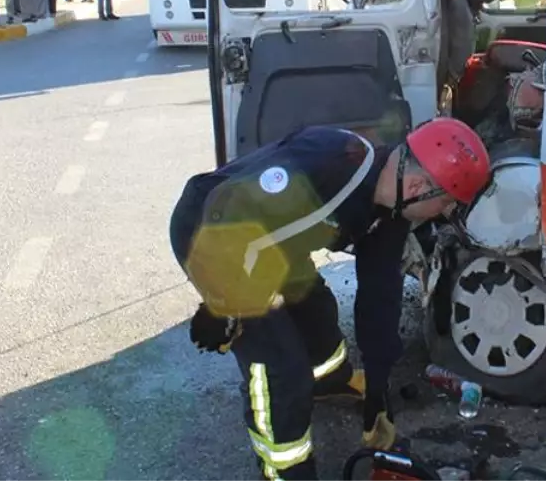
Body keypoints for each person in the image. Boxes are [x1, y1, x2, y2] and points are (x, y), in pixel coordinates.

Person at [171, 119, 490, 481]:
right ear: (418, 187)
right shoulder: (336, 166)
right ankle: (283, 469)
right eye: (446, 205)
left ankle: (327, 379)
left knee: (317, 308)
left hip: (269, 245)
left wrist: (377, 397)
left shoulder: (390, 212)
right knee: (280, 370)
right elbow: (225, 207)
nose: (444, 216)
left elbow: (379, 301)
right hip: (212, 235)